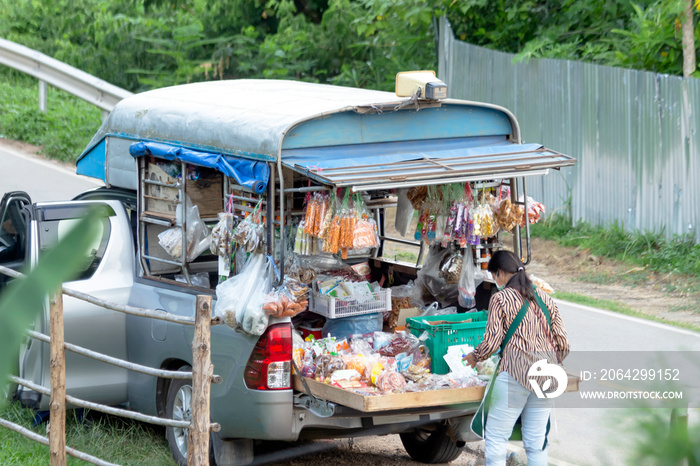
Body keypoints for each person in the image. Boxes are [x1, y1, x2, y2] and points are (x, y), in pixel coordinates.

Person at [463, 250, 569, 466]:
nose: (495, 281)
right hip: (547, 377)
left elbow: (492, 343)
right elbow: (564, 344)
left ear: (501, 273)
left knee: (496, 437)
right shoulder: (546, 298)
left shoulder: (500, 299)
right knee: (536, 441)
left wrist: (474, 357)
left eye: (494, 275)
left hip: (515, 375)